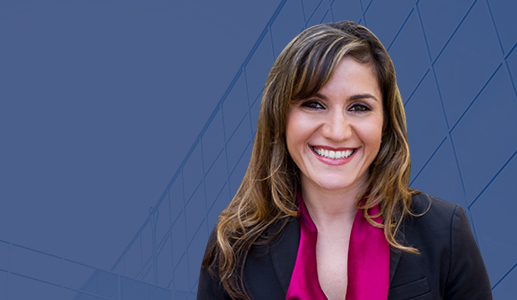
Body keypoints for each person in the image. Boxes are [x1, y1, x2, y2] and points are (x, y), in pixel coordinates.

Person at [197, 21, 491, 299]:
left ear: (385, 122)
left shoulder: (444, 232)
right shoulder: (233, 245)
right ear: (281, 117)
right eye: (314, 104)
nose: (336, 132)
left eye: (359, 107)